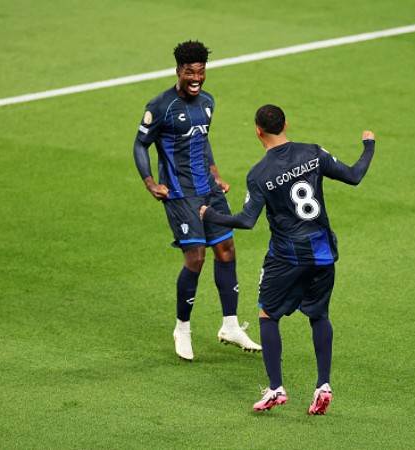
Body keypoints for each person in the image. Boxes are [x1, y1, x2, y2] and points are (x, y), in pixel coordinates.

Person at [200, 104, 375, 414]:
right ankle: (323, 385)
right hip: (322, 252)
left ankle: (276, 388)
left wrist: (210, 214)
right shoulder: (313, 152)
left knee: (268, 314)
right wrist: (368, 145)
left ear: (258, 131)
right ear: (286, 124)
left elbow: (246, 220)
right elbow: (354, 175)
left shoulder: (259, 174)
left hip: (286, 257)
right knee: (319, 315)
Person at [133, 40, 261, 361]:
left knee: (226, 250)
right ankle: (182, 328)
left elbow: (203, 140)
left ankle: (230, 326)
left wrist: (216, 174)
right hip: (179, 193)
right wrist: (150, 182)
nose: (196, 78)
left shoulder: (207, 101)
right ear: (178, 70)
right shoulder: (160, 106)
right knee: (196, 258)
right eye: (190, 72)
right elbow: (140, 145)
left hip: (208, 189)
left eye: (201, 72)